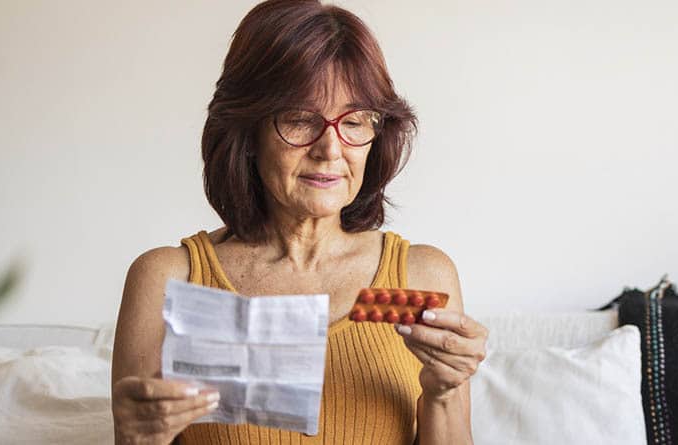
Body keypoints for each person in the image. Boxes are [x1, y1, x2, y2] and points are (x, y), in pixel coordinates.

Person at [110, 1, 487, 443]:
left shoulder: (422, 277)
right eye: (300, 119)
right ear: (247, 133)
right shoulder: (167, 279)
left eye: (355, 120)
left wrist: (443, 393)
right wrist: (138, 438)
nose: (330, 148)